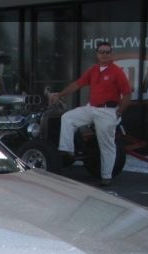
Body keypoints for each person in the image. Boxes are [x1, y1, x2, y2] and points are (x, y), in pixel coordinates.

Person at [49, 41, 131, 186]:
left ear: (111, 54)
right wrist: (59, 94)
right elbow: (77, 84)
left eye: (107, 52)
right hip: (91, 108)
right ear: (97, 54)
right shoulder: (93, 70)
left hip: (108, 111)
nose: (104, 54)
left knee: (106, 145)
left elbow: (127, 94)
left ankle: (106, 177)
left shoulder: (117, 72)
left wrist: (118, 112)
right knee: (68, 118)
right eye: (101, 52)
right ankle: (67, 152)